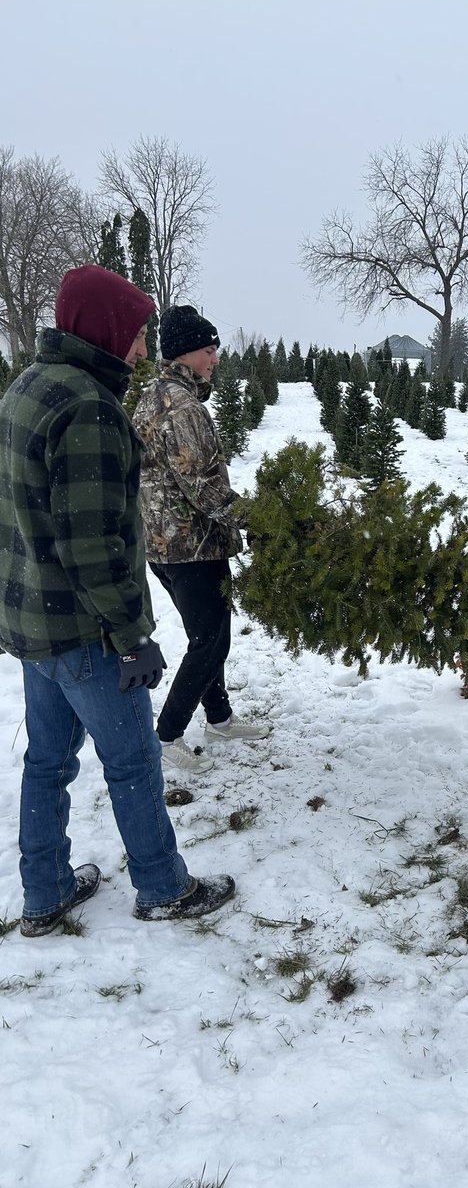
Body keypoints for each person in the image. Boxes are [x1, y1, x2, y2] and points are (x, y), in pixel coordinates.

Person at [0, 265, 235, 936]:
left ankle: (43, 892)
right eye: (132, 334)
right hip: (85, 629)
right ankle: (163, 886)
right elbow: (93, 543)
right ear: (102, 329)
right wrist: (132, 636)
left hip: (32, 622)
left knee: (46, 760)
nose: (138, 348)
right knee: (132, 760)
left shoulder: (26, 388)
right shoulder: (89, 410)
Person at [132, 305, 269, 774]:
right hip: (191, 545)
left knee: (205, 635)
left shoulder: (154, 394)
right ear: (187, 354)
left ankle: (219, 717)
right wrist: (254, 517)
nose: (214, 359)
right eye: (209, 351)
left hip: (162, 543)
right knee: (211, 641)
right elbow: (203, 485)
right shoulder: (183, 407)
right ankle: (167, 736)